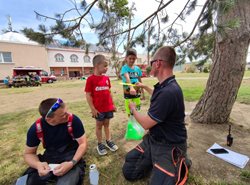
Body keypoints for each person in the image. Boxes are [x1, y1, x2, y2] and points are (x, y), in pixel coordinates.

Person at [122, 46, 191, 185]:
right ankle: (156, 162)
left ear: (158, 63)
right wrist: (145, 87)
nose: (149, 65)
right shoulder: (166, 85)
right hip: (154, 139)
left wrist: (133, 109)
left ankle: (180, 160)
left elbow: (146, 124)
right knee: (129, 170)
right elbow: (158, 96)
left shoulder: (168, 91)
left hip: (170, 145)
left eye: (151, 62)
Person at [21, 98, 87, 185]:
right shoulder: (36, 128)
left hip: (71, 155)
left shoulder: (73, 120)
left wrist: (72, 163)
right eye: (63, 115)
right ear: (49, 119)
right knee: (25, 182)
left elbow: (83, 144)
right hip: (50, 157)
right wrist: (38, 165)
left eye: (67, 111)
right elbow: (29, 154)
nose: (68, 114)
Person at [85, 54, 118, 156]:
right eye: (105, 66)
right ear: (97, 65)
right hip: (98, 109)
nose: (107, 68)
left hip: (108, 108)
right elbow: (88, 95)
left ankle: (109, 141)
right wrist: (93, 108)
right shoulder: (90, 79)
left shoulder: (106, 78)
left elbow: (109, 91)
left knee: (107, 124)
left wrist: (112, 104)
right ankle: (100, 144)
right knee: (99, 126)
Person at [120, 48, 145, 117]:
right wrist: (131, 87)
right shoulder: (124, 68)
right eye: (130, 58)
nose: (131, 60)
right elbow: (127, 77)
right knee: (129, 109)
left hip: (137, 90)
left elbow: (140, 80)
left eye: (133, 58)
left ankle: (137, 123)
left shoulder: (137, 69)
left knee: (137, 108)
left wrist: (143, 92)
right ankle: (131, 123)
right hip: (128, 90)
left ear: (136, 58)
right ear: (126, 58)